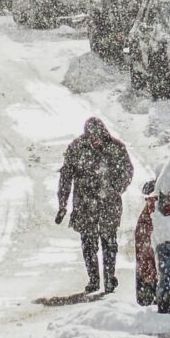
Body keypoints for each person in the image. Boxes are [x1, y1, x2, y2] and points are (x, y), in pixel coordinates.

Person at [56, 116, 134, 294]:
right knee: (88, 243)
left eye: (98, 136)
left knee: (109, 241)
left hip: (109, 202)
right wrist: (62, 204)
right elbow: (66, 177)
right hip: (84, 203)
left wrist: (116, 188)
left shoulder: (116, 147)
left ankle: (109, 278)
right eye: (92, 137)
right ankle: (93, 279)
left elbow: (128, 171)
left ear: (104, 133)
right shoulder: (76, 148)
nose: (95, 140)